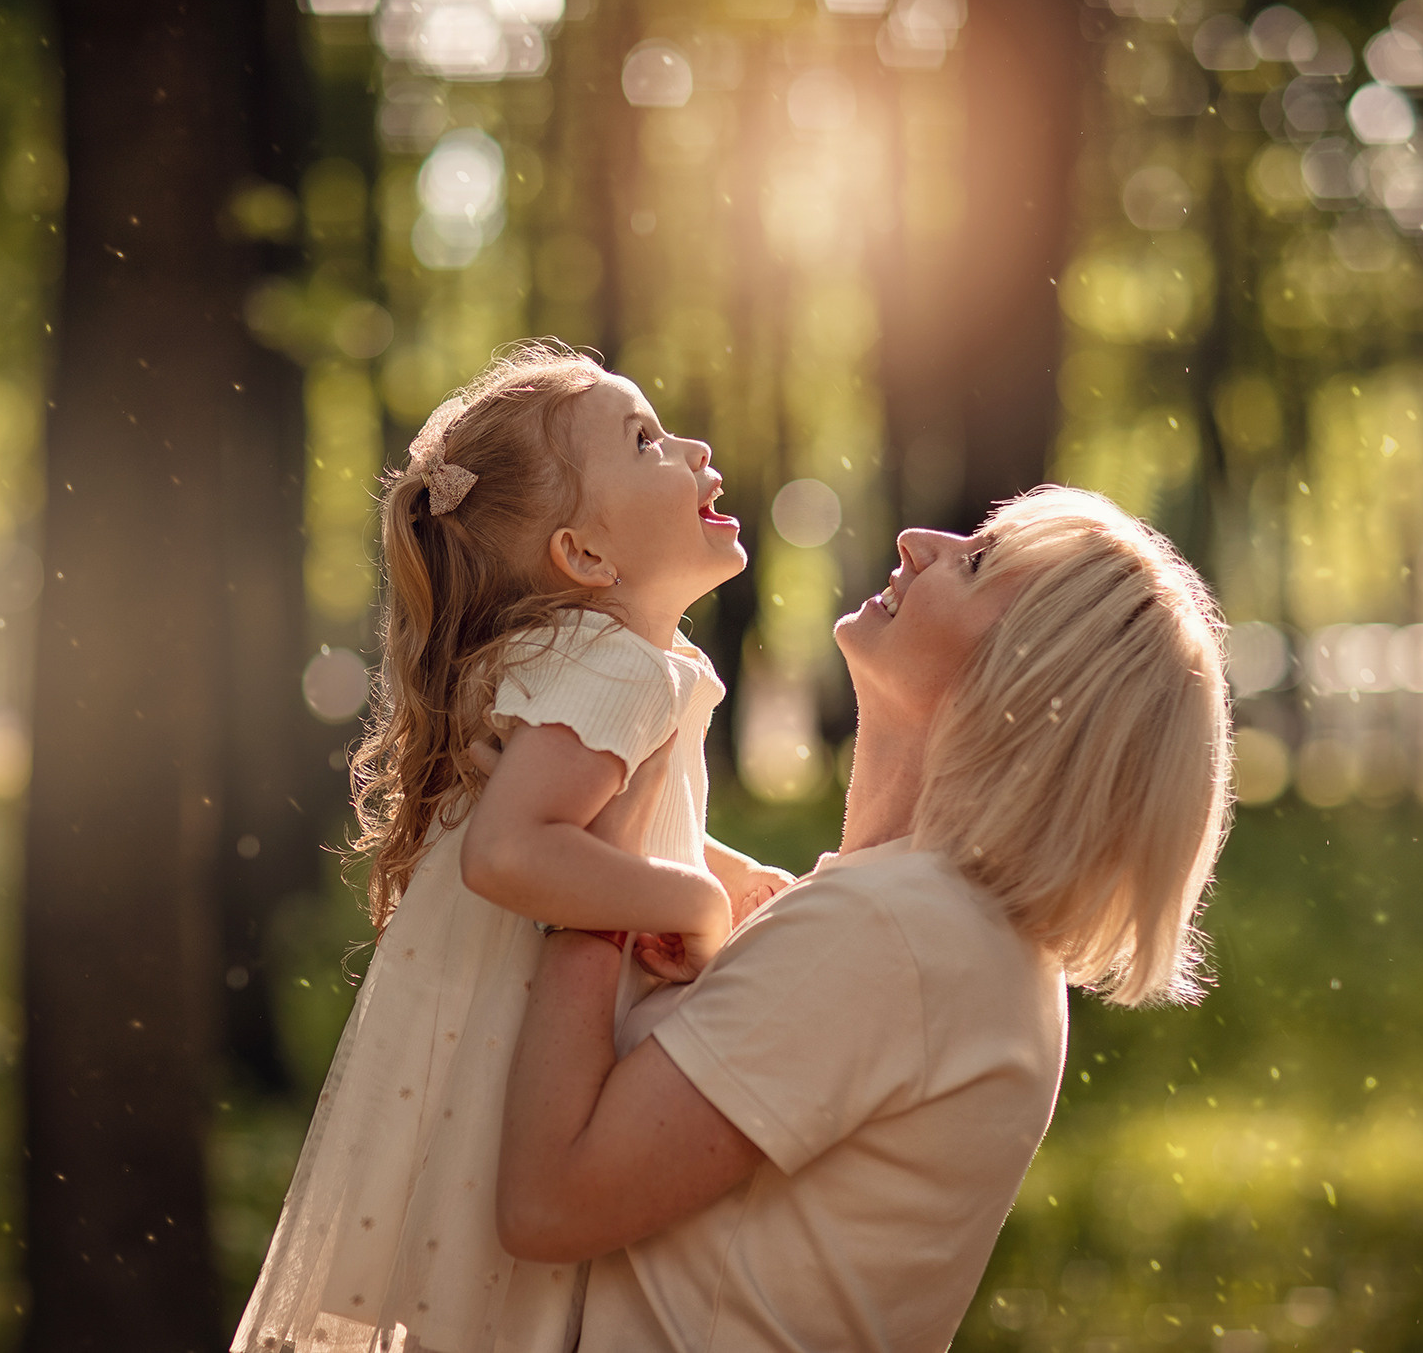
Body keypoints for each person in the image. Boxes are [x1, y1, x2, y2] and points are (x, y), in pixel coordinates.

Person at [497, 486, 1234, 1350]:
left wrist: (592, 878)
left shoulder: (895, 930)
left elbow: (550, 1203)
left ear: (1028, 676)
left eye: (977, 561)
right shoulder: (936, 926)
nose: (917, 539)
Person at [233, 344, 792, 1353]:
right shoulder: (621, 670)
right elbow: (510, 854)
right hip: (519, 1073)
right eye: (645, 441)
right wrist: (694, 908)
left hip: (474, 1064)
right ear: (583, 557)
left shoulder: (583, 663)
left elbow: (585, 824)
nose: (694, 447)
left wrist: (709, 863)